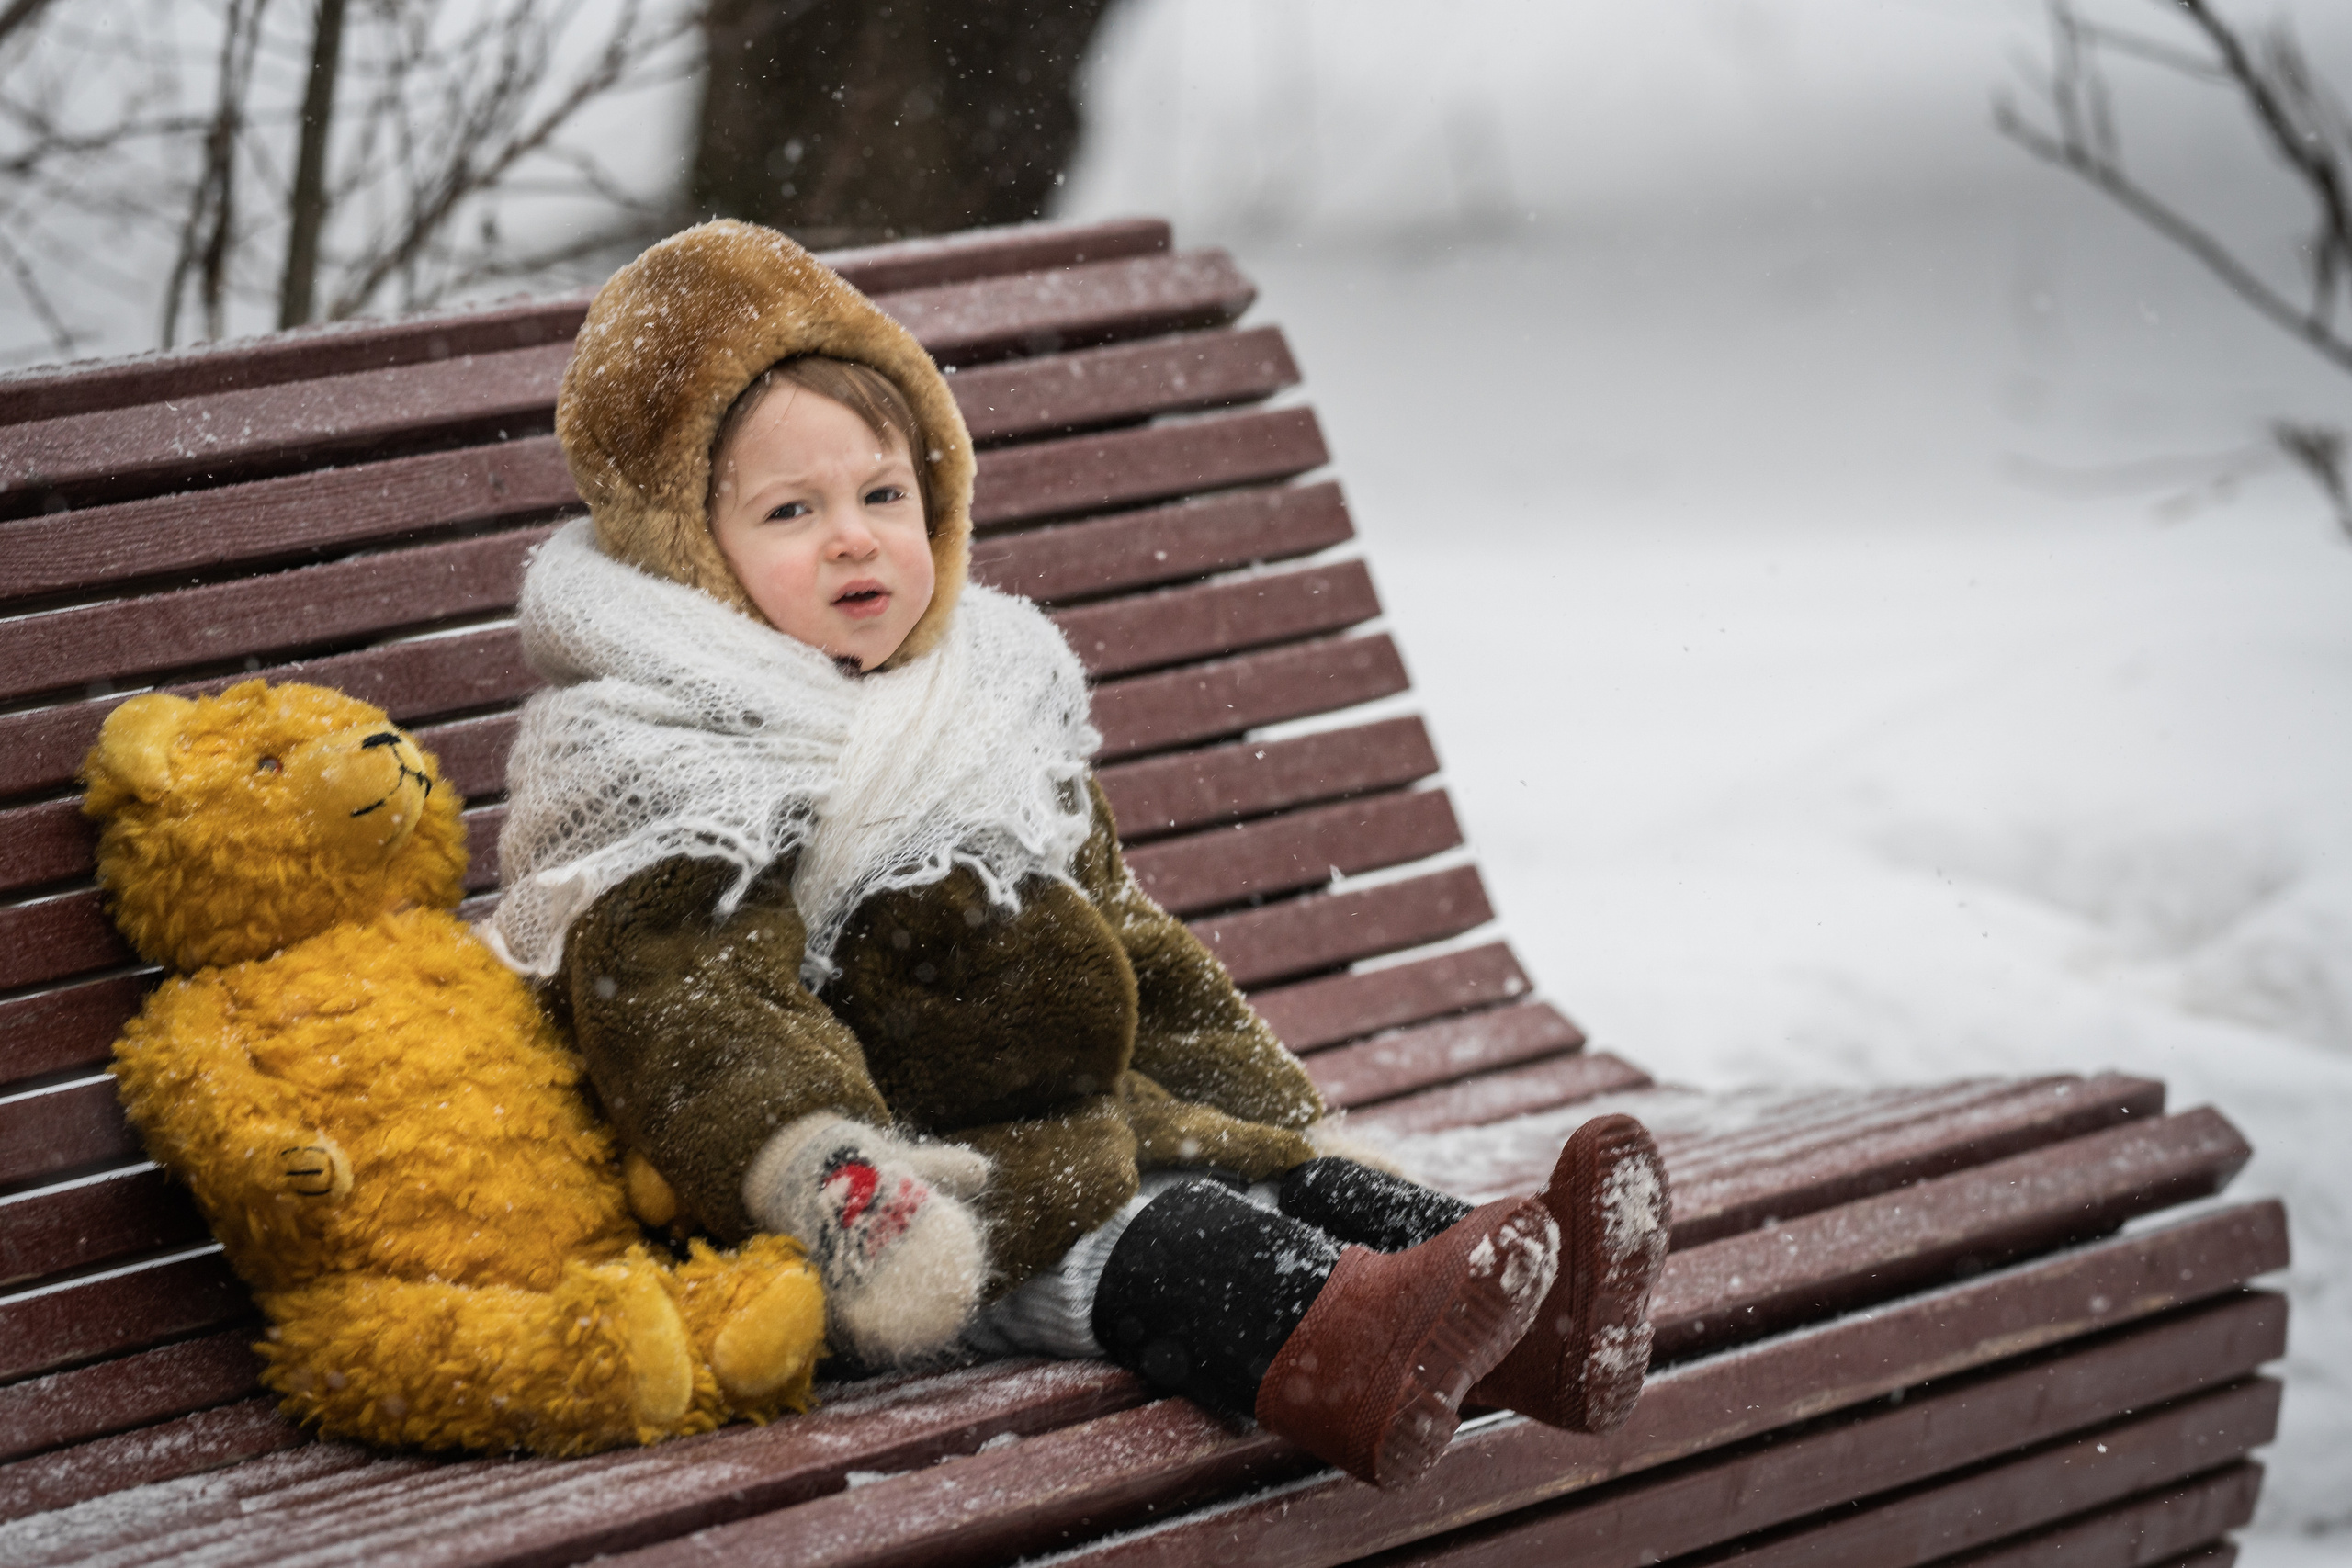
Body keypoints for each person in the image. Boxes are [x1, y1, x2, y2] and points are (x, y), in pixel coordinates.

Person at [488, 220, 1670, 1489]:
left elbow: (1132, 947)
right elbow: (694, 1017)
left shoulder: (984, 699)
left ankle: (1540, 1328)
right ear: (686, 548)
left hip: (1081, 1136)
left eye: (886, 494)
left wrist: (1282, 1127)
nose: (855, 537)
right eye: (793, 510)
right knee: (1178, 1240)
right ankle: (1358, 1363)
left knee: (1312, 1194)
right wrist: (834, 1181)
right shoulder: (663, 753)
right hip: (896, 1216)